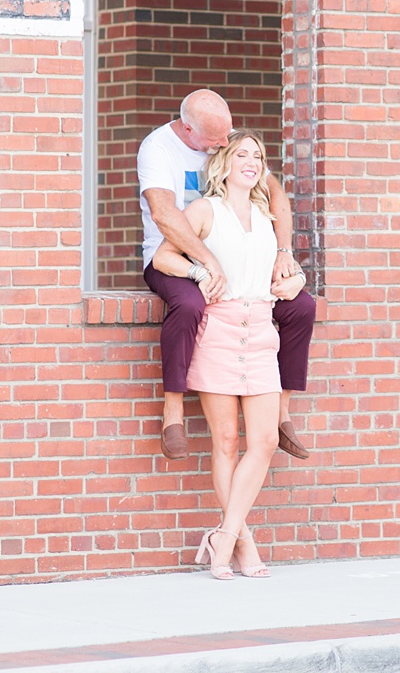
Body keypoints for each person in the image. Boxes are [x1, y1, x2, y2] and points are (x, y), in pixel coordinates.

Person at [151, 130, 304, 578]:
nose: (251, 161)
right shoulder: (203, 210)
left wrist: (293, 282)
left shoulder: (267, 216)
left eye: (257, 155)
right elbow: (164, 259)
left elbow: (289, 275)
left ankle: (224, 534)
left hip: (259, 332)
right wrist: (199, 271)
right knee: (226, 442)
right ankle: (243, 544)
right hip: (218, 330)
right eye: (242, 154)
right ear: (225, 163)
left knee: (265, 441)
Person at [138, 91, 317, 459]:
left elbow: (275, 197)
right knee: (189, 304)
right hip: (174, 257)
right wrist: (205, 262)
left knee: (300, 308)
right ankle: (173, 408)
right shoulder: (158, 148)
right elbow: (163, 213)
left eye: (226, 136)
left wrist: (283, 254)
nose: (223, 143)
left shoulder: (227, 138)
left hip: (235, 256)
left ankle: (281, 412)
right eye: (215, 140)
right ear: (188, 128)